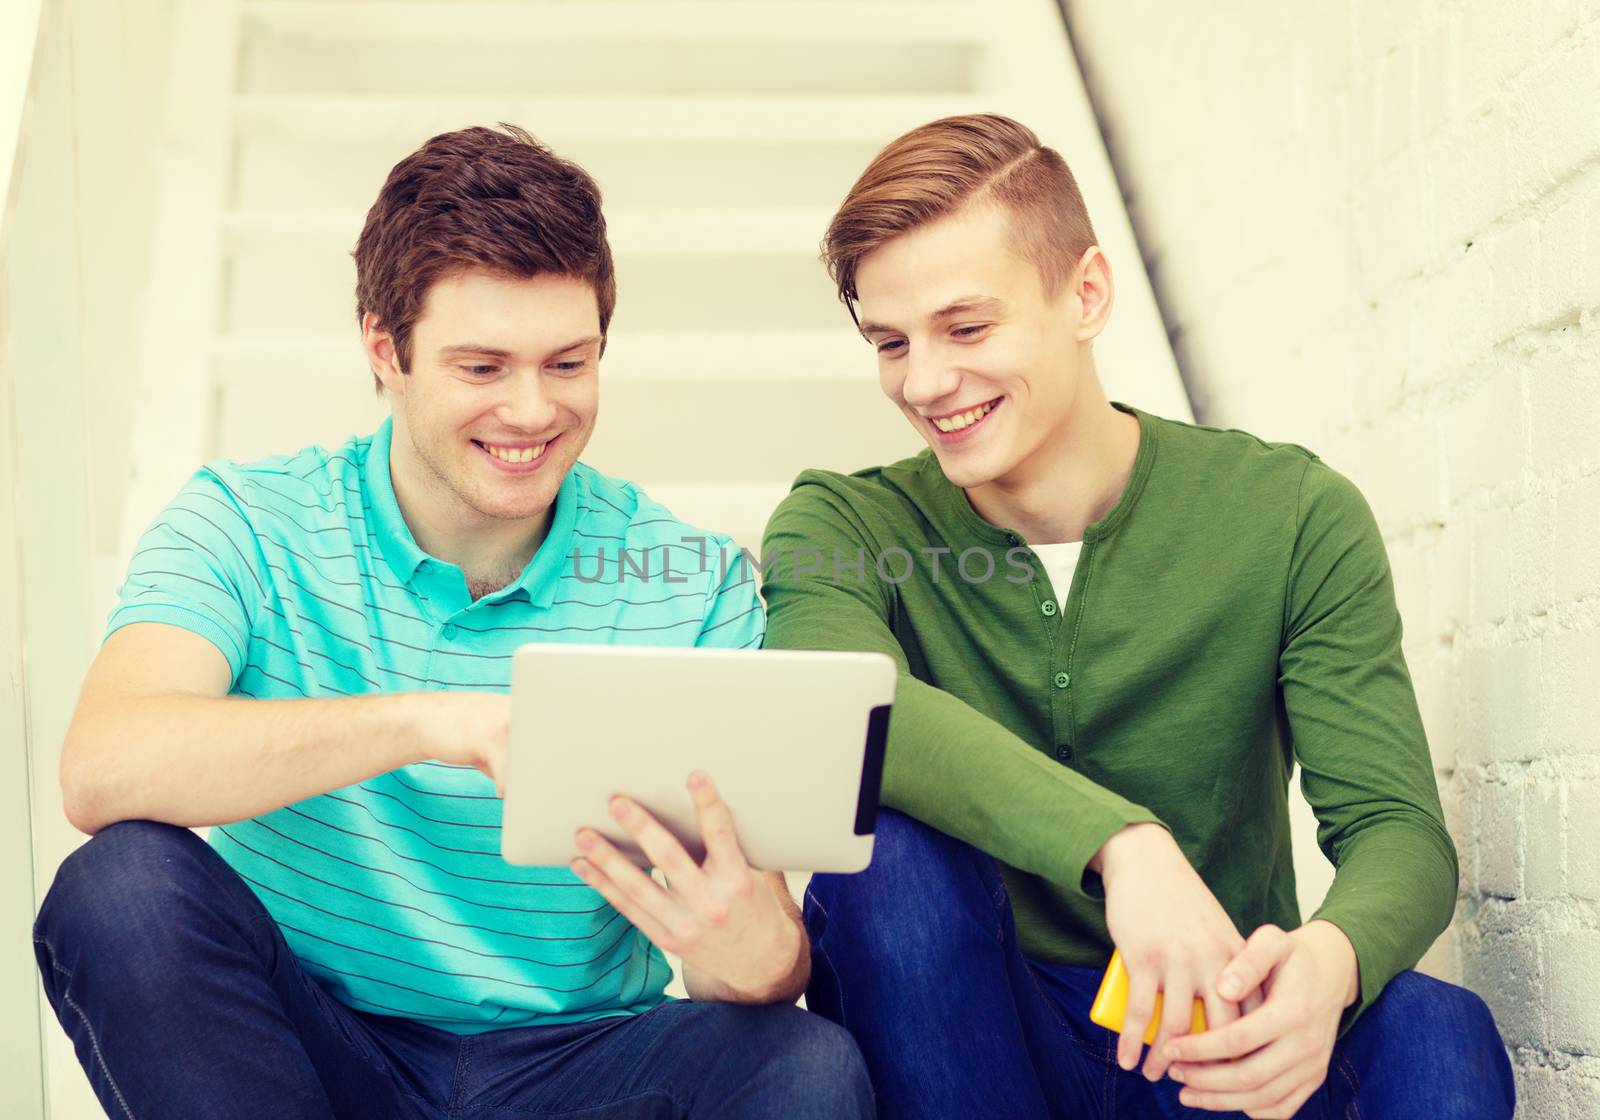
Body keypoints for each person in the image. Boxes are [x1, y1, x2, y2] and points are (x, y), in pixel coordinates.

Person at [34, 124, 871, 1120]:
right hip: (323, 1051)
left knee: (806, 1063)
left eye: (568, 363)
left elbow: (762, 955)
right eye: (482, 368)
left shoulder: (687, 581)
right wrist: (437, 721)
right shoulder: (248, 522)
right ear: (383, 347)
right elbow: (104, 765)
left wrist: (751, 952)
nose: (531, 411)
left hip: (584, 1064)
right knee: (122, 887)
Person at [760, 113, 1513, 1119]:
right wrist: (1125, 844)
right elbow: (850, 707)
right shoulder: (840, 520)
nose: (925, 381)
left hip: (1216, 1038)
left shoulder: (1289, 512)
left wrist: (1327, 965)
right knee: (886, 862)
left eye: (966, 327)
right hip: (979, 1046)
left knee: (1437, 1029)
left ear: (1087, 293)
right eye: (890, 343)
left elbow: (1394, 830)